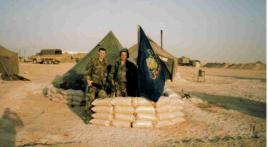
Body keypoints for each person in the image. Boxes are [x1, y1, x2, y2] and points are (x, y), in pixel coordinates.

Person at [84, 48, 108, 123]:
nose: (102, 54)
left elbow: (106, 75)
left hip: (100, 86)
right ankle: (87, 118)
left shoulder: (105, 63)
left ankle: (98, 116)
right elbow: (87, 72)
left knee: (103, 96)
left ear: (105, 54)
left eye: (103, 53)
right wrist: (88, 80)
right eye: (101, 53)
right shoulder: (93, 61)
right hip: (93, 85)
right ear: (98, 53)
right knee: (90, 99)